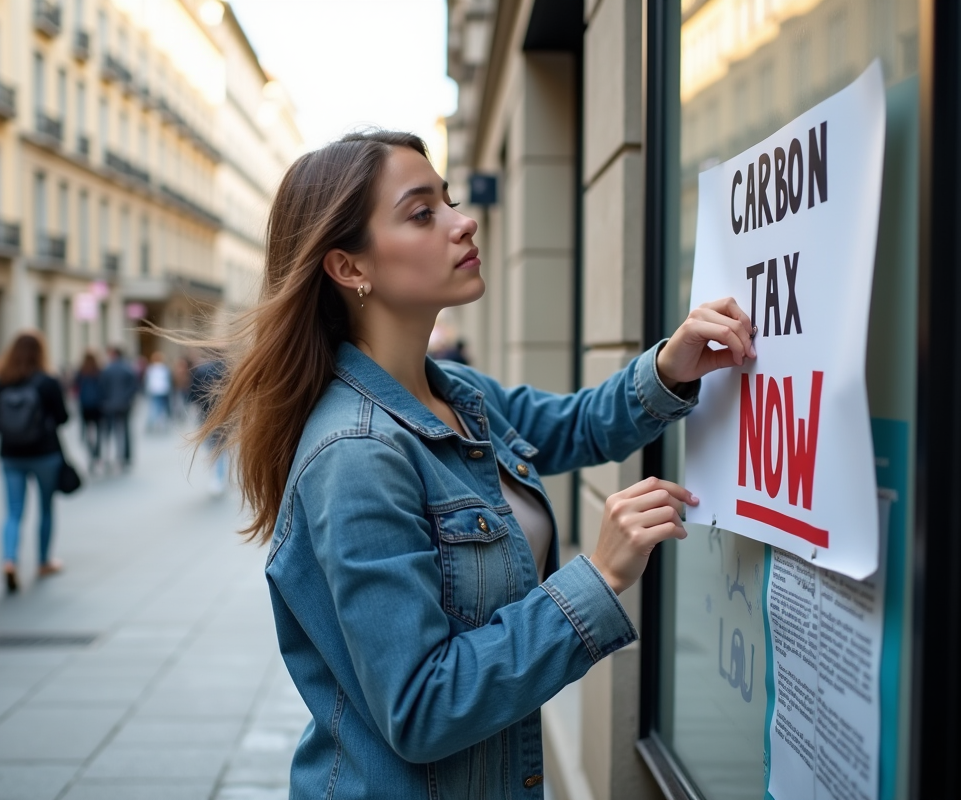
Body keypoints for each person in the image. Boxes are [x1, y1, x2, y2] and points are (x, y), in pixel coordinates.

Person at [197, 131, 756, 798]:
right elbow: (422, 706)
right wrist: (599, 576)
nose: (463, 223)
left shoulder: (458, 393)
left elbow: (575, 425)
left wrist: (672, 366)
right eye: (422, 212)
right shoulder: (357, 456)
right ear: (350, 268)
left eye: (451, 201)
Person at [0, 332, 69, 593]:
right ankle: (44, 561)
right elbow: (63, 417)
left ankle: (9, 561)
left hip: (11, 454)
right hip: (45, 453)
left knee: (13, 512)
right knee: (45, 508)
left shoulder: (2, 380)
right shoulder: (47, 381)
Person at [188, 353, 227, 495]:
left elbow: (193, 393)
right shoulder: (226, 370)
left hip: (206, 414)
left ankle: (217, 476)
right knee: (220, 445)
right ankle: (219, 476)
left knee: (213, 446)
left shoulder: (201, 370)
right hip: (224, 414)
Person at [98, 346, 138, 470]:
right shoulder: (128, 368)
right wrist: (126, 398)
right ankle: (125, 457)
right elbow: (134, 387)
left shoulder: (107, 369)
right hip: (124, 404)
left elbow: (102, 388)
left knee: (108, 431)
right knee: (125, 431)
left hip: (109, 405)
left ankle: (107, 457)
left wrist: (106, 400)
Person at [74, 351, 104, 470]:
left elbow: (76, 386)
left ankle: (90, 452)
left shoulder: (81, 371)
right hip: (97, 404)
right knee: (99, 431)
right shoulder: (98, 370)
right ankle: (97, 452)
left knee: (87, 431)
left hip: (85, 405)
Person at [143, 352, 172, 433]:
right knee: (161, 407)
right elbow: (167, 380)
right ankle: (161, 423)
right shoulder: (164, 368)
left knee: (154, 407)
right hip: (163, 390)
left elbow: (148, 380)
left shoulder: (151, 368)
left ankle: (152, 423)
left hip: (154, 390)